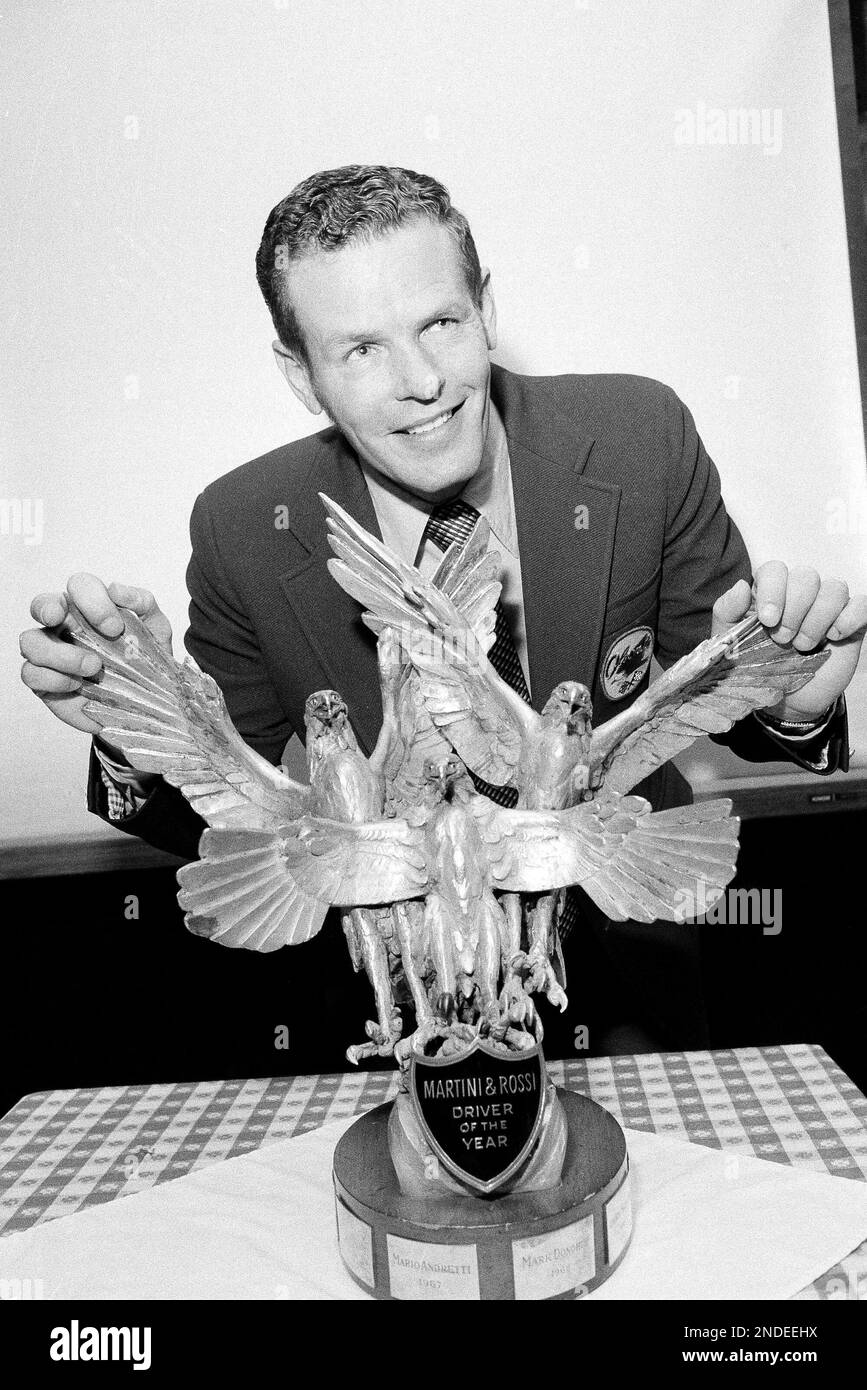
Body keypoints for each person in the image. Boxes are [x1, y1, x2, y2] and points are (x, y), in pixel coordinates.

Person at [19, 165, 865, 1054]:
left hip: (624, 961)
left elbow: (729, 683)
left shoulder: (638, 435)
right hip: (387, 996)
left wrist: (797, 707)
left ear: (485, 310)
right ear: (300, 374)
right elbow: (239, 823)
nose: (420, 380)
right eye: (360, 349)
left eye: (439, 323)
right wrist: (132, 723)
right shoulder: (243, 525)